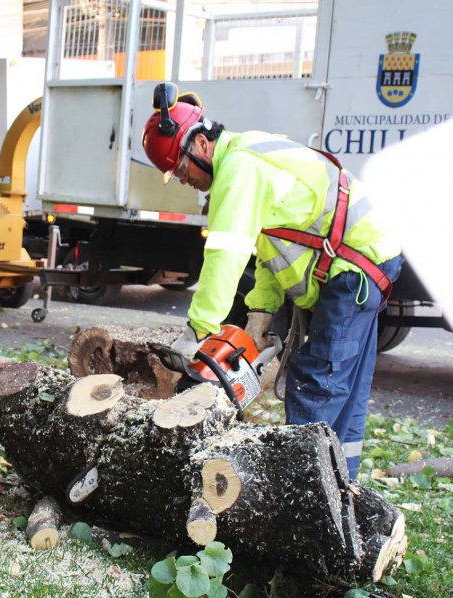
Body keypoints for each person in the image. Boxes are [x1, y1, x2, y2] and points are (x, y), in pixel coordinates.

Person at [142, 83, 403, 480]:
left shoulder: (240, 168)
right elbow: (270, 249)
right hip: (366, 258)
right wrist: (259, 318)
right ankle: (342, 481)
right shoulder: (249, 155)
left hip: (356, 265)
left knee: (316, 377)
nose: (183, 180)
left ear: (200, 145)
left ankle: (301, 487)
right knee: (345, 386)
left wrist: (199, 329)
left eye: (180, 169)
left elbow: (226, 255)